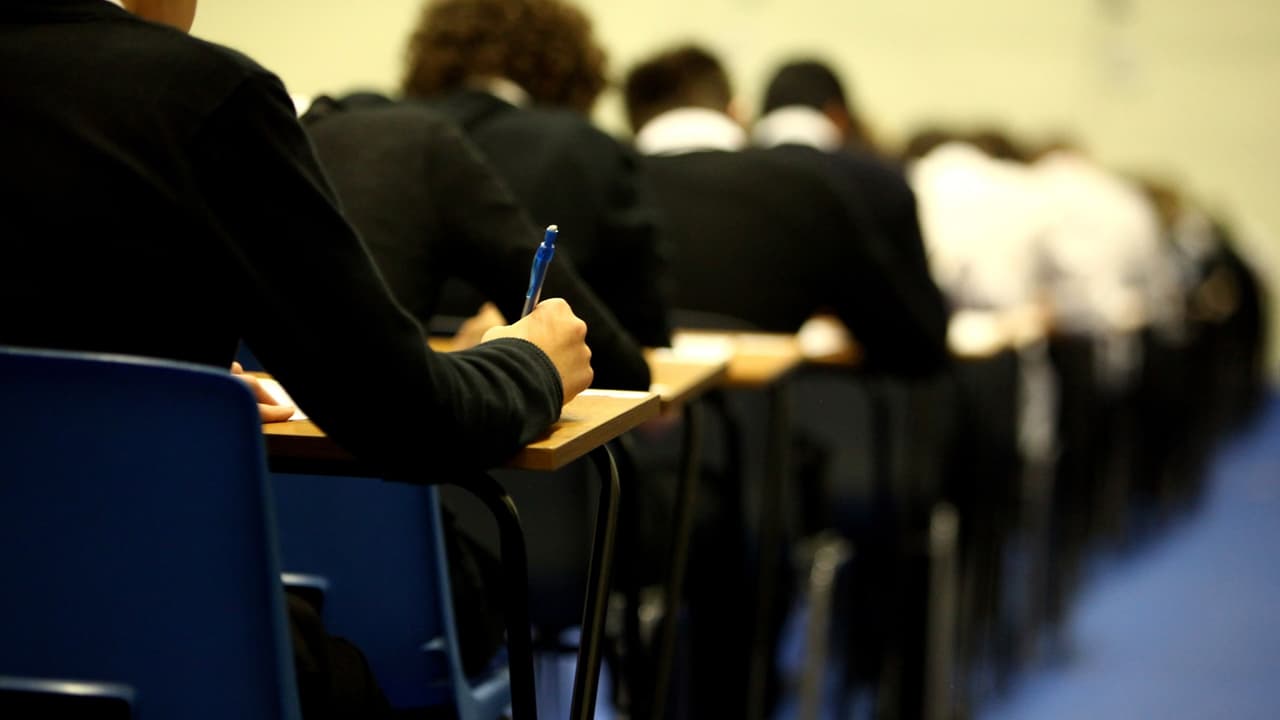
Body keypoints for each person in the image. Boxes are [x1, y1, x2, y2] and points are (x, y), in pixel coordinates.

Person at [0, 0, 594, 717]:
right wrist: (531, 362)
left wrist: (170, 392)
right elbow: (406, 417)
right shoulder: (198, 95)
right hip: (146, 635)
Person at [625, 45, 948, 374]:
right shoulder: (802, 187)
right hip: (772, 402)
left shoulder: (609, 188)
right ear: (737, 113)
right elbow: (910, 338)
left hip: (632, 400)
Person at [298, 93, 650, 390]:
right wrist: (519, 359)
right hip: (376, 423)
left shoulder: (303, 139)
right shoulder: (418, 141)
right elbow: (620, 368)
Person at [400, 0, 671, 348]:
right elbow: (643, 325)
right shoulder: (583, 145)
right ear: (564, 64)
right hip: (537, 370)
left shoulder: (387, 137)